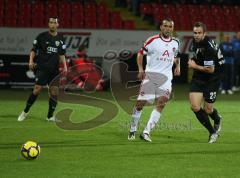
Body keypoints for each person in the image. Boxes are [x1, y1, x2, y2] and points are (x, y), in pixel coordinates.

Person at [128, 18, 181, 142]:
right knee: (140, 104)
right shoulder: (152, 40)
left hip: (167, 78)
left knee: (162, 103)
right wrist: (141, 69)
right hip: (151, 76)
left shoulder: (176, 42)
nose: (168, 29)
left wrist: (178, 66)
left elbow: (176, 56)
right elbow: (140, 54)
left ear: (173, 28)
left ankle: (146, 132)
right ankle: (133, 128)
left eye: (170, 27)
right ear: (161, 27)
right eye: (165, 26)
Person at [17, 17, 67, 122]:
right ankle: (25, 111)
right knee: (37, 90)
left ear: (58, 25)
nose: (52, 24)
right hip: (42, 68)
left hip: (54, 70)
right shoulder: (41, 36)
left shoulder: (61, 38)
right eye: (50, 22)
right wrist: (30, 61)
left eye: (54, 23)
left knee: (54, 92)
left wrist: (65, 66)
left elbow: (62, 54)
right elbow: (33, 50)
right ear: (48, 24)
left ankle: (50, 116)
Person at [188, 22, 223, 143]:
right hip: (198, 77)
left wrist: (194, 65)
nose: (196, 35)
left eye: (199, 33)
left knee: (208, 110)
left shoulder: (208, 48)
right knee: (195, 106)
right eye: (195, 33)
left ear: (205, 33)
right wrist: (192, 60)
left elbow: (210, 69)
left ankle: (217, 118)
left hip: (212, 78)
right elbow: (194, 55)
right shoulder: (194, 42)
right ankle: (212, 133)